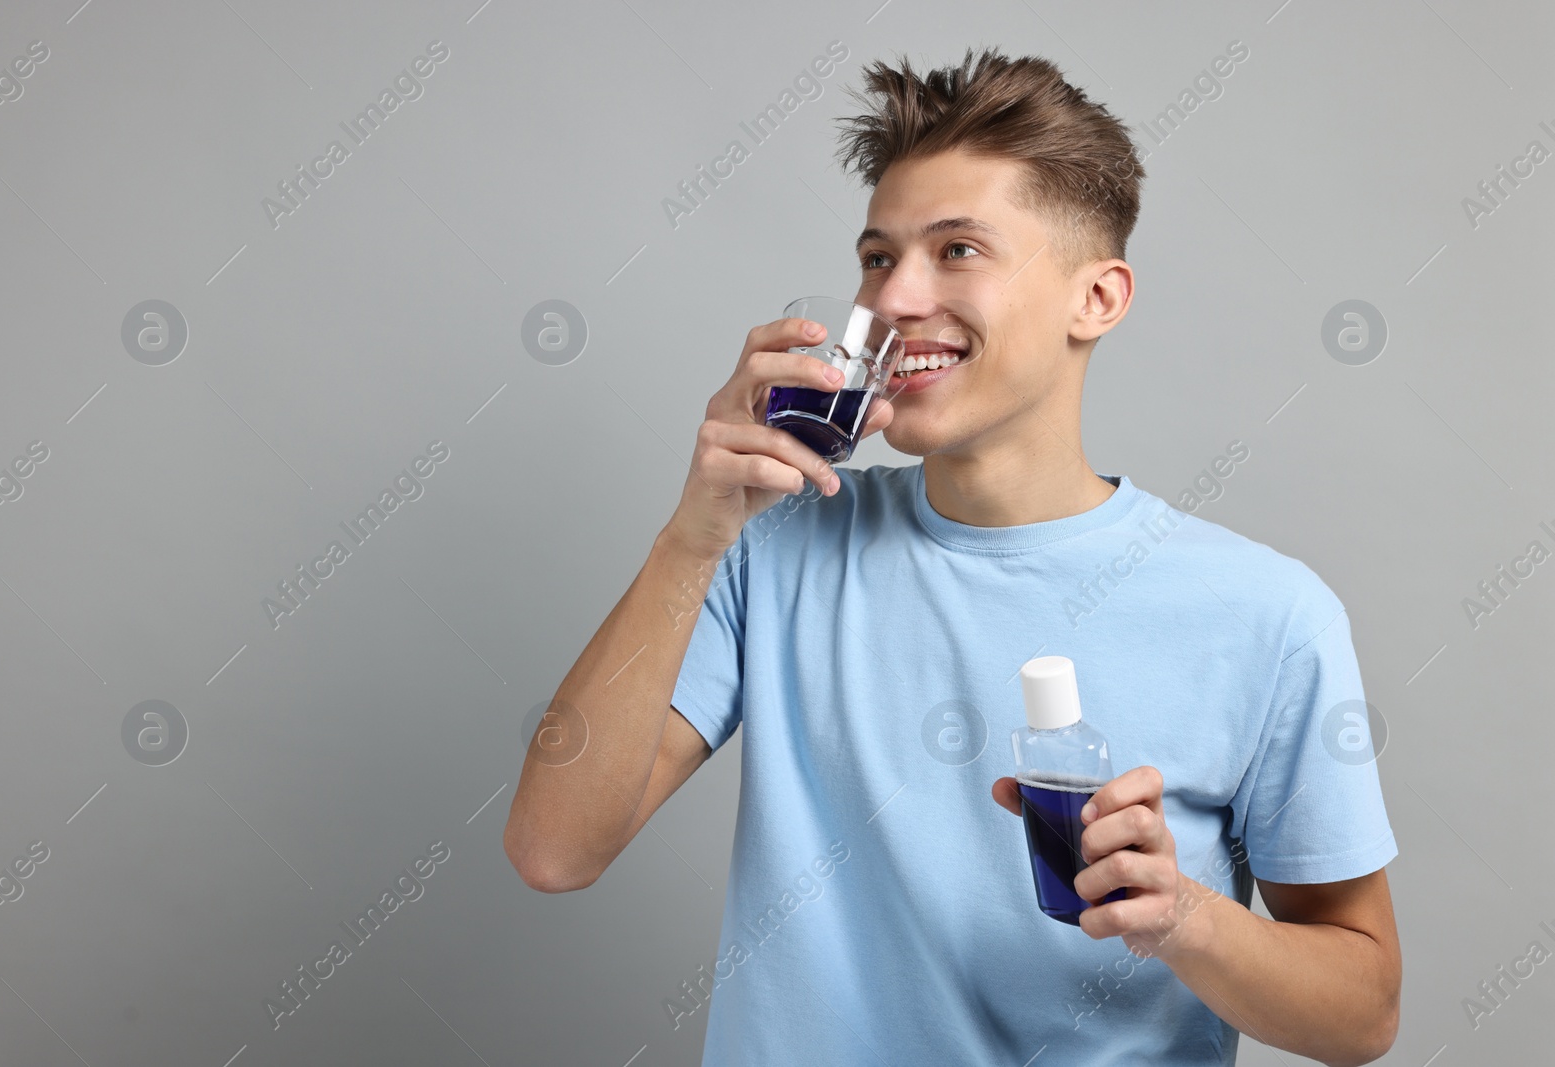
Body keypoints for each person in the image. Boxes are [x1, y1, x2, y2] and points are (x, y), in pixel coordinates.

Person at [504, 47, 1401, 1066]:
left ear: (1096, 298)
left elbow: (1362, 1012)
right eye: (878, 257)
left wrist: (1184, 916)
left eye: (958, 249)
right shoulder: (775, 543)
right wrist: (692, 533)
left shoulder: (1268, 614)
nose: (893, 299)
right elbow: (552, 847)